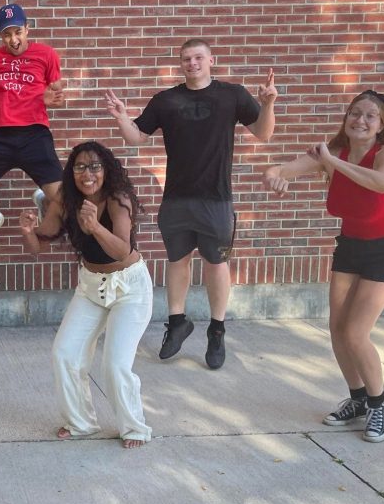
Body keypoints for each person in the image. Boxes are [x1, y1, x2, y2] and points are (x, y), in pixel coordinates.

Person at [103, 39, 277, 370]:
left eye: (198, 57)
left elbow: (263, 133)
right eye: (186, 59)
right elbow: (137, 137)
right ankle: (178, 322)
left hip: (216, 199)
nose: (192, 63)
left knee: (216, 263)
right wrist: (123, 117)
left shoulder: (232, 95)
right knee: (177, 260)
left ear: (211, 59)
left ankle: (217, 329)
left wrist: (267, 104)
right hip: (177, 199)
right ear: (180, 63)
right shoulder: (167, 100)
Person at [262, 90, 384, 443]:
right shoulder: (332, 153)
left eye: (370, 116)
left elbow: (382, 183)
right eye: (354, 113)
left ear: (382, 125)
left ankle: (380, 406)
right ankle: (358, 399)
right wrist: (275, 175)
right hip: (351, 245)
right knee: (337, 328)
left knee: (356, 332)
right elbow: (284, 168)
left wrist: (333, 161)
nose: (360, 120)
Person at [19, 142, 153, 448]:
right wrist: (29, 232)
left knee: (115, 365)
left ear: (106, 170)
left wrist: (94, 227)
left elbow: (123, 248)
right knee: (64, 354)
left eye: (94, 166)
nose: (87, 174)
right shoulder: (65, 200)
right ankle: (81, 423)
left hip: (130, 288)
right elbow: (40, 245)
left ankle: (134, 428)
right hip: (92, 286)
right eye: (80, 167)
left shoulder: (119, 199)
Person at [0, 2, 65, 252]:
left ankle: (44, 204)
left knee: (63, 199)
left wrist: (49, 99)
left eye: (18, 31)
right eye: (7, 34)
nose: (13, 39)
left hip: (34, 135)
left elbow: (57, 93)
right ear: (1, 36)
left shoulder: (47, 55)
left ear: (27, 29)